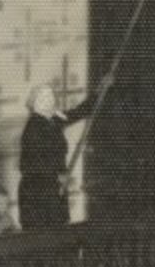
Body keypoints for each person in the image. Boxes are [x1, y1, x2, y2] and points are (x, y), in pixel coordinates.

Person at [17, 75, 109, 231]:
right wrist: (57, 177)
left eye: (51, 96)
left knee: (58, 235)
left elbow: (79, 112)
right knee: (42, 239)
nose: (50, 100)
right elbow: (31, 165)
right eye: (44, 97)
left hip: (53, 193)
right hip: (37, 198)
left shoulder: (53, 120)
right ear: (35, 103)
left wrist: (99, 91)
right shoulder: (33, 128)